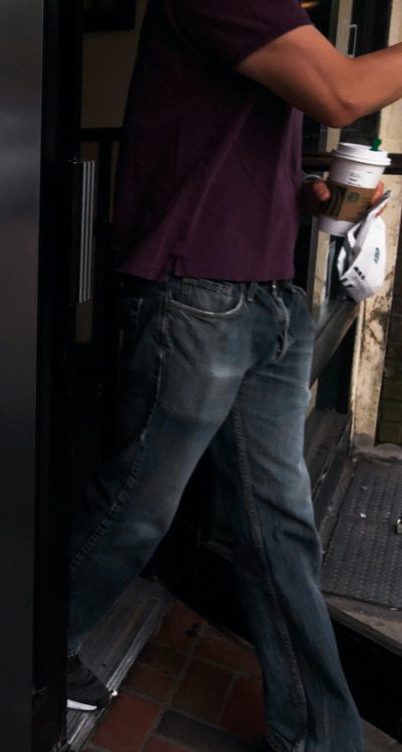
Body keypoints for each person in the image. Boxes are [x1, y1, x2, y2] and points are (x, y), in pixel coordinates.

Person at [64, 1, 402, 749]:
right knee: (135, 509)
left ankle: (319, 737)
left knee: (281, 529)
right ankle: (28, 656)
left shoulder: (272, 20)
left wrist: (311, 194)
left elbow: (230, 151)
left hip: (267, 300)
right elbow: (342, 92)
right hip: (197, 297)